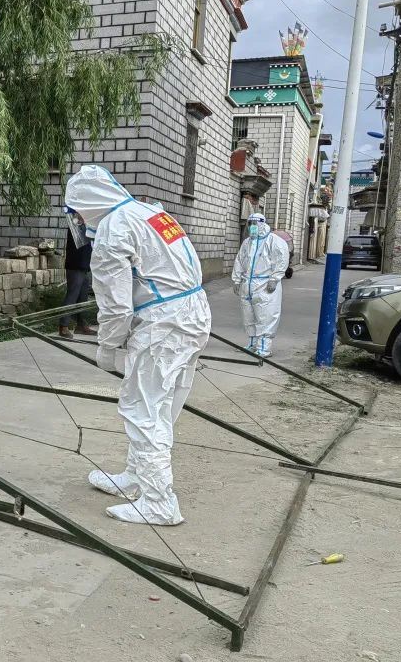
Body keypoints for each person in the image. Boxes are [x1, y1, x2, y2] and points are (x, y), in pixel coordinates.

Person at [64, 165, 211, 526]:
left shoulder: (112, 231)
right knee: (160, 404)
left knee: (143, 409)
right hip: (192, 312)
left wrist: (107, 346)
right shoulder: (149, 211)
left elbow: (115, 306)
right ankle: (137, 477)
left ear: (88, 204)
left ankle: (159, 502)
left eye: (77, 213)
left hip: (165, 325)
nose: (79, 221)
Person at [231, 212, 288, 357]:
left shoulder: (274, 241)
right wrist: (237, 280)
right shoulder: (247, 242)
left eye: (254, 224)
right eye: (250, 224)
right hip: (248, 284)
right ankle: (252, 344)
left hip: (265, 284)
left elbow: (281, 260)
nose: (251, 227)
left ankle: (264, 347)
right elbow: (240, 260)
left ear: (262, 224)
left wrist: (275, 278)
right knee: (248, 316)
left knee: (265, 316)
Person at [59, 228, 96, 339]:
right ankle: (63, 326)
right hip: (76, 263)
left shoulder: (87, 224)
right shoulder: (75, 224)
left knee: (83, 295)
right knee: (73, 294)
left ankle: (81, 325)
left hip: (84, 263)